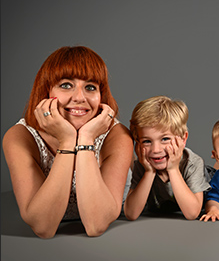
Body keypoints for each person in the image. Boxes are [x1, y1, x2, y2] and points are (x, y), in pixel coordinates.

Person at [2, 46, 133, 238]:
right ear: (46, 90)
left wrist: (86, 138)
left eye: (90, 87)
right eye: (65, 85)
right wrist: (68, 140)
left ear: (101, 96)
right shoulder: (20, 137)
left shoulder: (117, 136)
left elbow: (96, 225)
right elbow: (43, 227)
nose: (79, 97)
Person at [123, 95, 212, 221]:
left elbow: (192, 213)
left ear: (183, 139)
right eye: (147, 141)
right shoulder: (143, 165)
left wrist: (173, 169)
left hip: (212, 183)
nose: (156, 150)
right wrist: (149, 172)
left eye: (165, 139)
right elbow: (131, 214)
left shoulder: (193, 163)